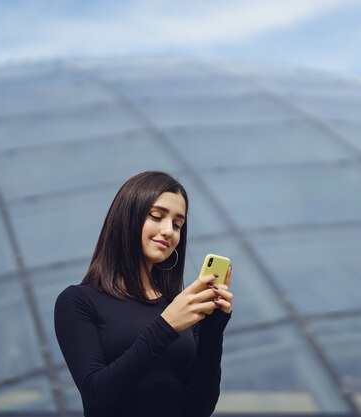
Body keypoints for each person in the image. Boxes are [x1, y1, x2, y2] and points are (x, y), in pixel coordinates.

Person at [54, 171, 234, 417]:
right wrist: (166, 325)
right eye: (157, 216)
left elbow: (198, 409)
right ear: (127, 217)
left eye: (177, 224)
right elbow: (97, 398)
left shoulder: (180, 308)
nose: (168, 231)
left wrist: (213, 329)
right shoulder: (79, 301)